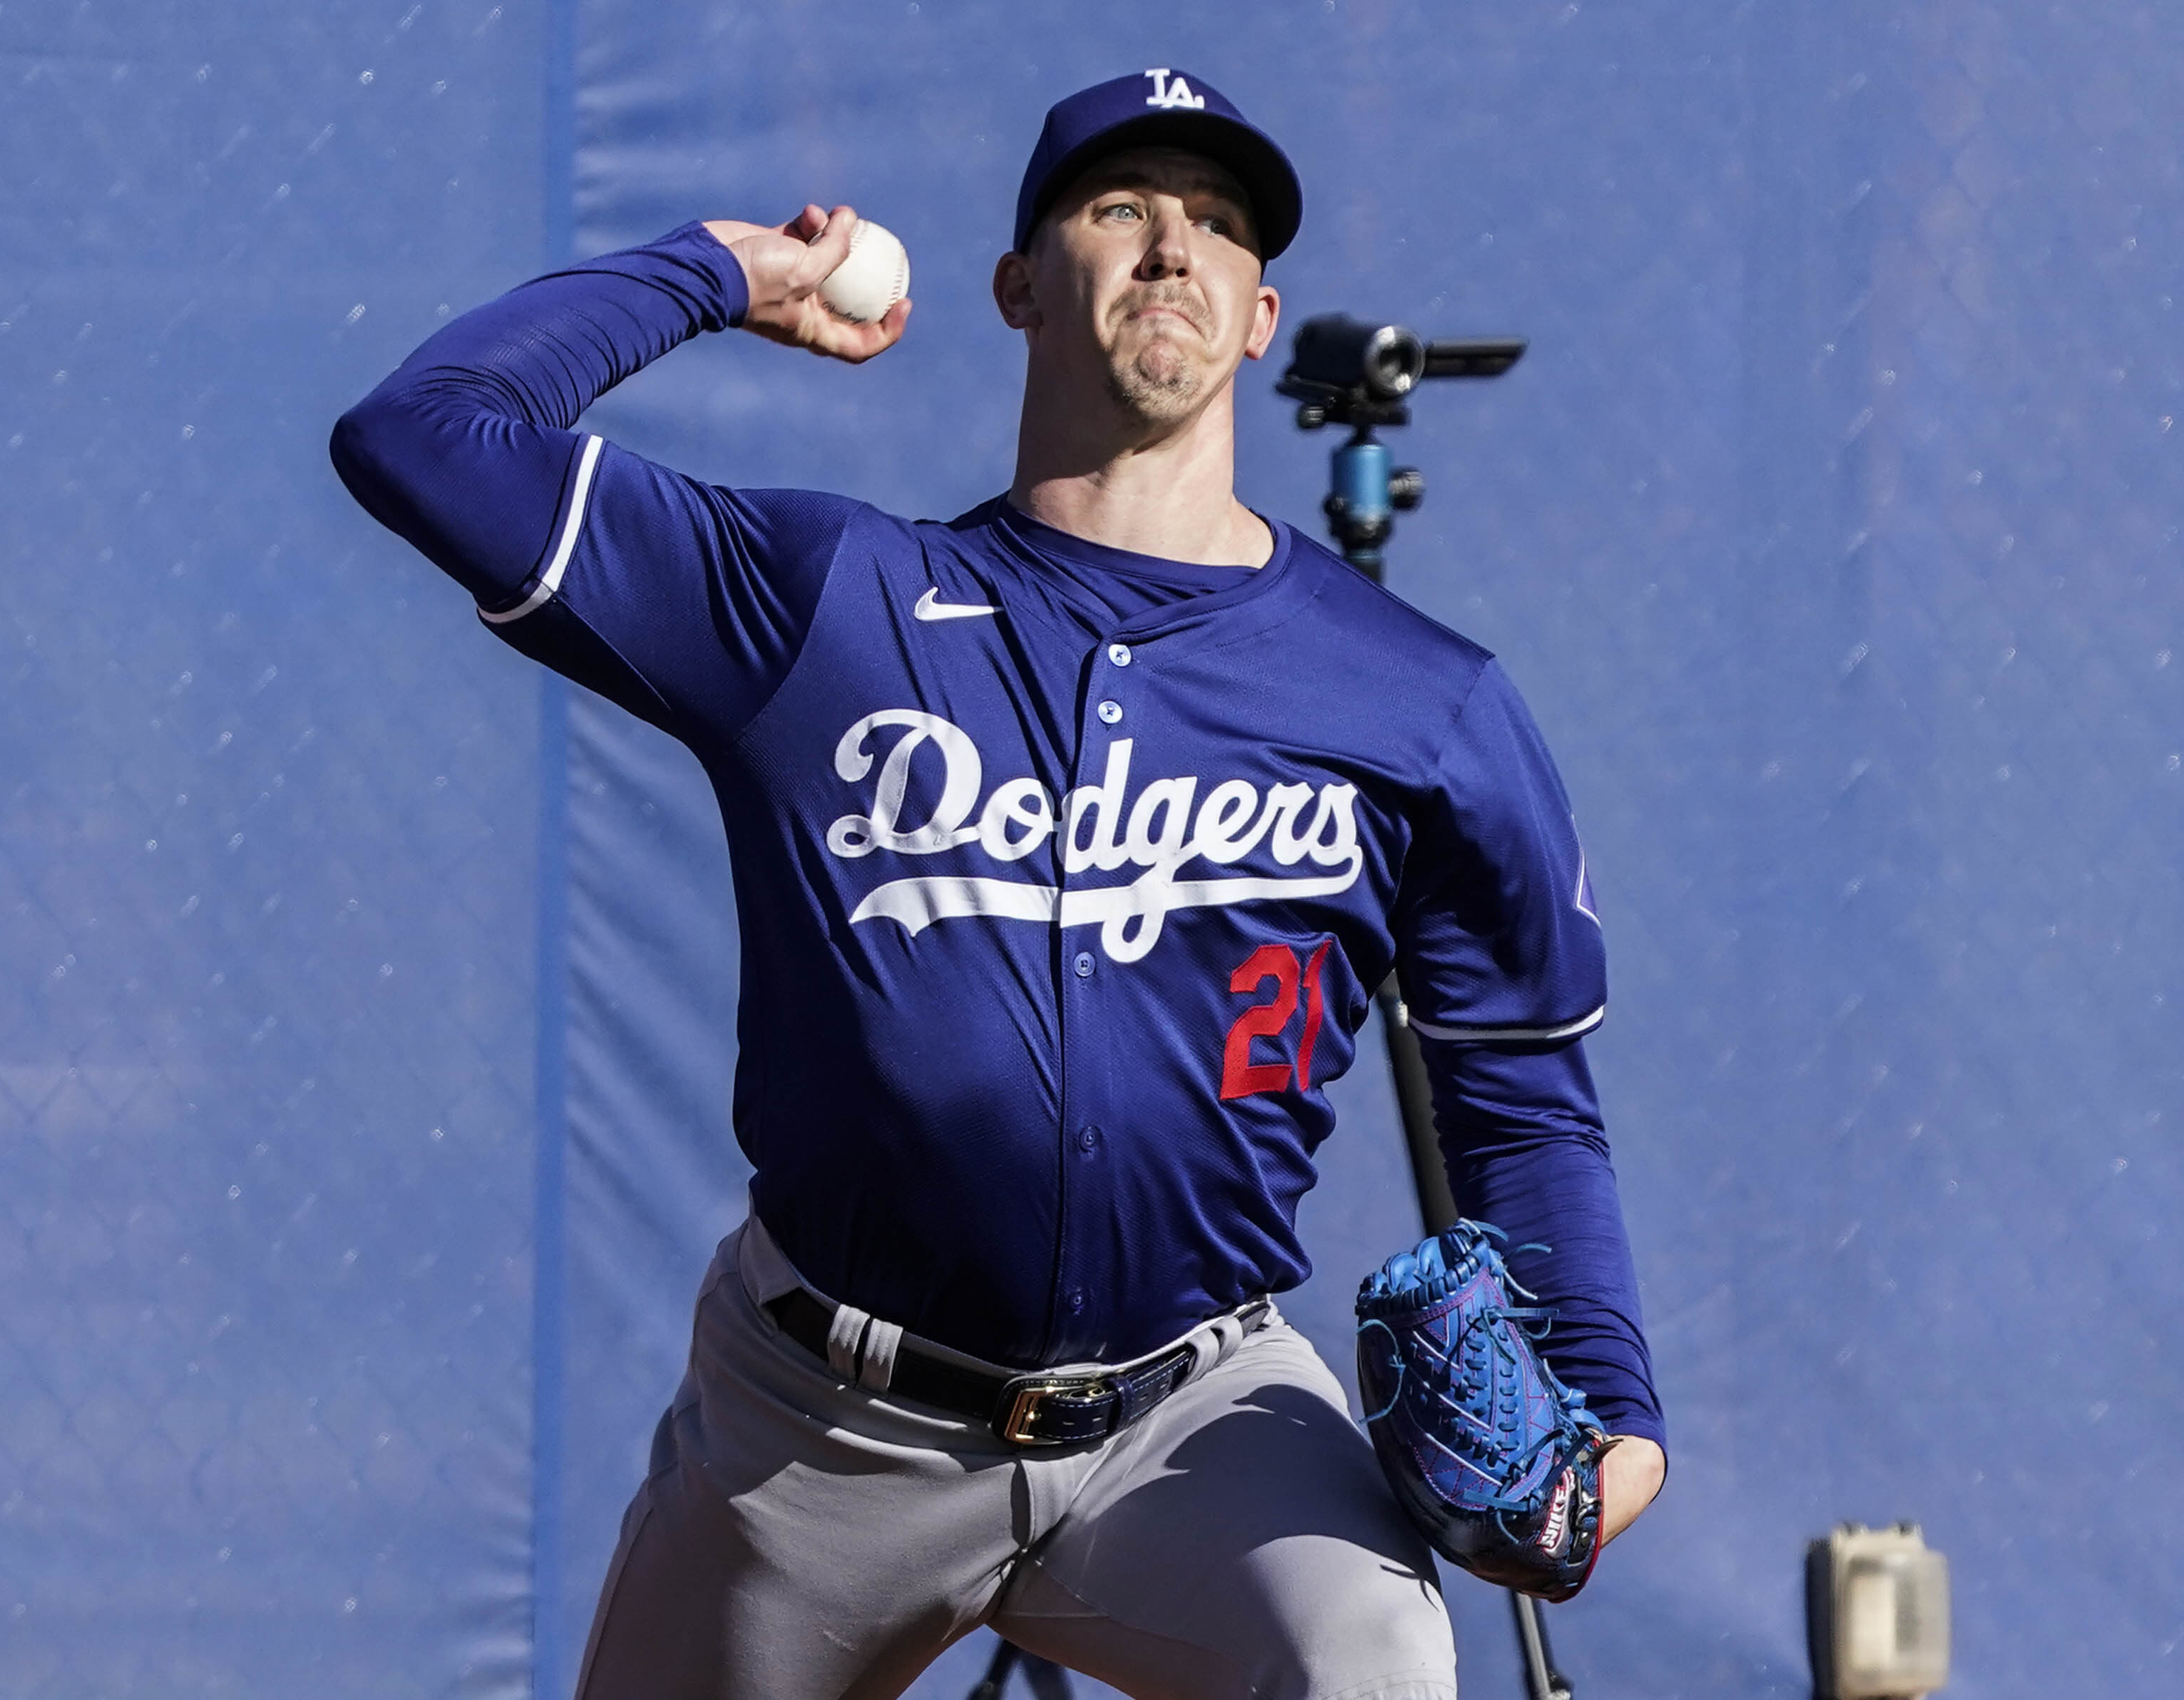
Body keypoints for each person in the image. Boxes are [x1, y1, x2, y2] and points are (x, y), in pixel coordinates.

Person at [332, 67, 1663, 1700]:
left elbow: (1519, 1087)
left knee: (1374, 1657)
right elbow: (423, 435)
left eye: (1221, 222)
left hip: (1199, 1418)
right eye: (1119, 208)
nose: (1174, 244)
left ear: (1260, 316)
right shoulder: (825, 601)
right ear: (1020, 288)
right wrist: (720, 271)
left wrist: (1611, 1409)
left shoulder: (1421, 700)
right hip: (821, 1432)